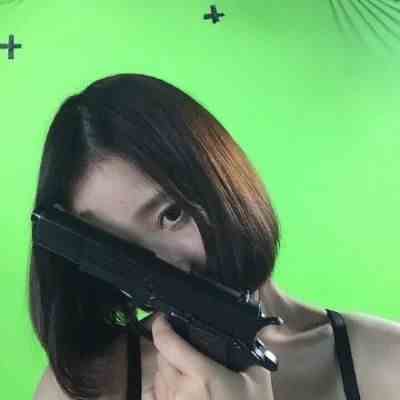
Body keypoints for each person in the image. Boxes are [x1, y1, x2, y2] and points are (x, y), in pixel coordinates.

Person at [30, 74, 399, 400]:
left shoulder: (387, 362)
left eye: (171, 214)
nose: (163, 271)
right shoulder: (84, 390)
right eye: (119, 250)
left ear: (224, 184)